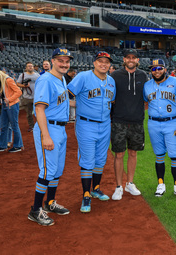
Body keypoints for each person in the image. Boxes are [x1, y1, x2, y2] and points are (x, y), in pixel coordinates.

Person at [27, 48, 73, 226]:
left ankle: (50, 203)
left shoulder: (61, 78)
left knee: (57, 170)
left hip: (60, 128)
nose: (64, 64)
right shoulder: (46, 79)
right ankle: (35, 210)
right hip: (49, 128)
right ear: (52, 61)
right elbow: (39, 109)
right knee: (47, 170)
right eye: (60, 60)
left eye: (67, 61)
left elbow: (62, 102)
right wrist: (46, 136)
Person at [68, 51, 116, 213]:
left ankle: (95, 188)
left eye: (106, 62)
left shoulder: (111, 81)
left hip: (105, 124)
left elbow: (112, 101)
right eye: (100, 61)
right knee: (88, 159)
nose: (103, 64)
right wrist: (78, 106)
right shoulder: (83, 76)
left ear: (110, 65)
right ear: (94, 63)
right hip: (86, 125)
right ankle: (86, 195)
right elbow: (67, 95)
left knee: (101, 159)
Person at [143, 59, 176, 198]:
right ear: (151, 71)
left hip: (172, 123)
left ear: (165, 69)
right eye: (154, 69)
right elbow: (144, 102)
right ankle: (160, 184)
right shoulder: (147, 85)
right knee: (159, 155)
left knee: (175, 155)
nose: (157, 71)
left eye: (159, 68)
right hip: (153, 123)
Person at [110, 49, 148, 200]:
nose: (131, 60)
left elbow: (146, 97)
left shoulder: (143, 75)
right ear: (124, 59)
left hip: (137, 121)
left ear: (137, 60)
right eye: (128, 57)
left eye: (134, 58)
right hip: (119, 121)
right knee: (119, 154)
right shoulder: (115, 75)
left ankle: (129, 183)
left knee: (133, 153)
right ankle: (119, 186)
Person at [0, 67, 23, 152]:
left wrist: (9, 99)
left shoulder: (8, 80)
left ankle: (18, 145)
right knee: (4, 126)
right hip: (5, 105)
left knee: (14, 125)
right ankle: (2, 145)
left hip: (12, 105)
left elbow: (19, 92)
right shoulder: (1, 81)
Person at [17, 61, 40, 132]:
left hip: (36, 97)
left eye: (31, 66)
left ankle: (40, 125)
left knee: (39, 112)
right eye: (29, 66)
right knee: (29, 113)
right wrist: (24, 85)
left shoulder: (37, 75)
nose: (30, 67)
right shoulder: (23, 75)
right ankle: (32, 126)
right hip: (26, 97)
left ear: (33, 67)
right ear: (26, 68)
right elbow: (17, 83)